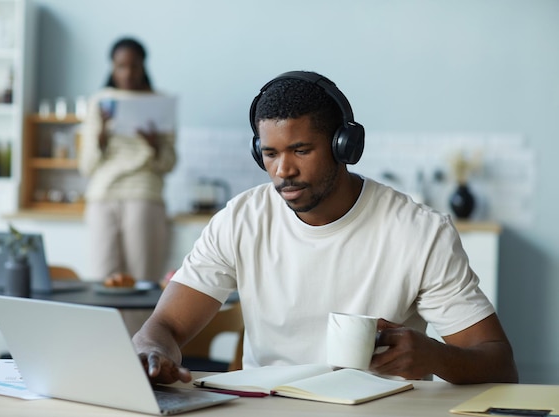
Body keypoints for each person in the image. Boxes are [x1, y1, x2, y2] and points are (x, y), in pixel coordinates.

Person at [132, 70, 518, 385]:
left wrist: (435, 355)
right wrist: (154, 351)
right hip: (269, 409)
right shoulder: (240, 220)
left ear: (343, 147)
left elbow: (499, 364)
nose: (283, 171)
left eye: (300, 150)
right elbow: (164, 326)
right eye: (270, 154)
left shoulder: (420, 233)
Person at [79, 37, 176, 285]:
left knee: (143, 279)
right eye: (121, 66)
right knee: (103, 280)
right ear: (112, 67)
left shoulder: (159, 103)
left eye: (134, 66)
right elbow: (86, 166)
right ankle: (105, 326)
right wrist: (100, 139)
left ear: (144, 66)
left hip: (144, 194)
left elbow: (169, 164)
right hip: (103, 195)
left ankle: (143, 327)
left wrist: (154, 146)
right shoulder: (99, 102)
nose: (128, 73)